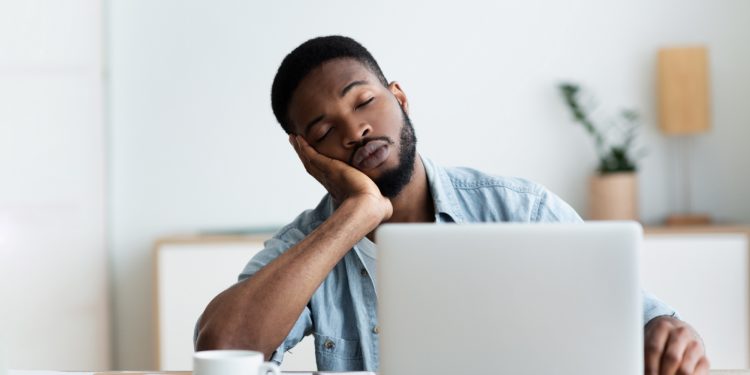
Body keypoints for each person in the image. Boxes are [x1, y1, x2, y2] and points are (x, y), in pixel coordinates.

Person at [195, 35, 709, 375]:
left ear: (399, 97)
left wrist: (667, 334)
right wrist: (357, 214)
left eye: (364, 101)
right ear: (306, 153)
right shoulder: (306, 248)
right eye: (326, 131)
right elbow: (219, 348)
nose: (356, 131)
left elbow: (645, 320)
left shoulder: (519, 210)